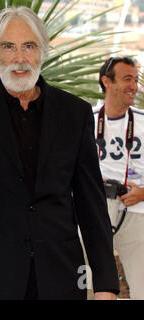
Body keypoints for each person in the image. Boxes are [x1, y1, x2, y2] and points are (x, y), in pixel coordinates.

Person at [0, 7, 119, 300]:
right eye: (8, 47)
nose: (19, 58)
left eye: (29, 46)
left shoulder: (74, 113)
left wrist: (105, 283)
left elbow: (91, 202)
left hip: (62, 272)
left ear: (43, 51)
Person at [93, 56, 144, 300]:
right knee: (86, 289)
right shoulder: (85, 120)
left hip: (137, 213)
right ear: (107, 82)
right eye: (127, 79)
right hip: (92, 214)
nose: (134, 86)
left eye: (135, 79)